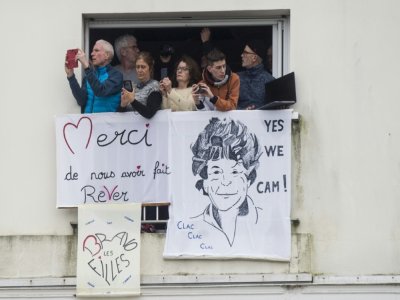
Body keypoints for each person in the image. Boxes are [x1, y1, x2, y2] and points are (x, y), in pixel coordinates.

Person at [191, 117, 262, 247]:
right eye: (216, 172)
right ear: (205, 182)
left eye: (235, 172)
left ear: (249, 179)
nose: (225, 182)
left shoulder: (265, 220)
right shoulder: (191, 226)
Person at [65, 40, 123, 113]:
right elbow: (81, 101)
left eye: (96, 50)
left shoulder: (116, 76)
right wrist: (71, 76)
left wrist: (86, 66)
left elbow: (100, 91)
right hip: (88, 123)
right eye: (92, 51)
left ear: (107, 55)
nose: (92, 54)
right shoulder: (89, 75)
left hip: (106, 123)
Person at [119, 51, 162, 119]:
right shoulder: (133, 87)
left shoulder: (155, 86)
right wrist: (123, 105)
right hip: (128, 128)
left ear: (150, 69)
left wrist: (132, 100)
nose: (139, 70)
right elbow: (119, 117)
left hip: (148, 129)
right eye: (137, 67)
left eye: (143, 67)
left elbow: (149, 113)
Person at [237, 40, 274, 110]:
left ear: (254, 58)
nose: (241, 55)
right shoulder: (236, 78)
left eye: (245, 53)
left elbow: (274, 109)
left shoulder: (270, 81)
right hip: (238, 120)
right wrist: (242, 111)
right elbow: (229, 104)